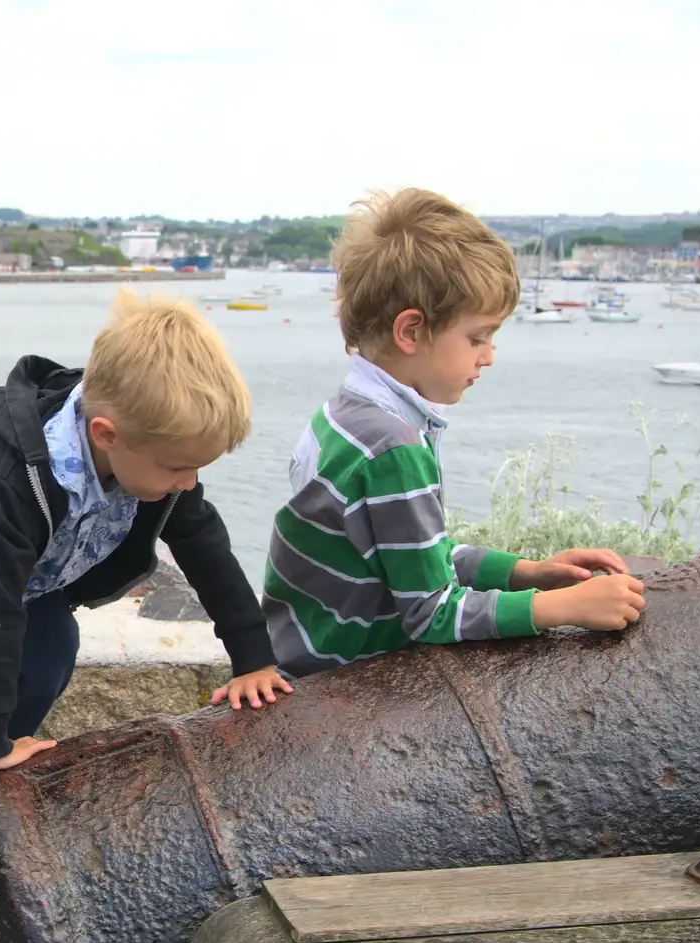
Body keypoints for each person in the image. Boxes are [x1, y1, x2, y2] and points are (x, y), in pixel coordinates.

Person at [0, 290, 288, 894]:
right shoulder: (17, 477)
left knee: (48, 655)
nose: (189, 482)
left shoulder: (151, 448)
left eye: (198, 469)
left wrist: (252, 657)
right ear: (106, 434)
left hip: (27, 567)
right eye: (179, 468)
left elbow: (206, 549)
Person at [261, 188, 647, 680]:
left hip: (301, 640)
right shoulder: (393, 448)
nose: (487, 356)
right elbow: (431, 612)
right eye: (478, 337)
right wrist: (564, 607)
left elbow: (420, 555)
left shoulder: (343, 415)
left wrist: (524, 572)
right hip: (341, 666)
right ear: (411, 331)